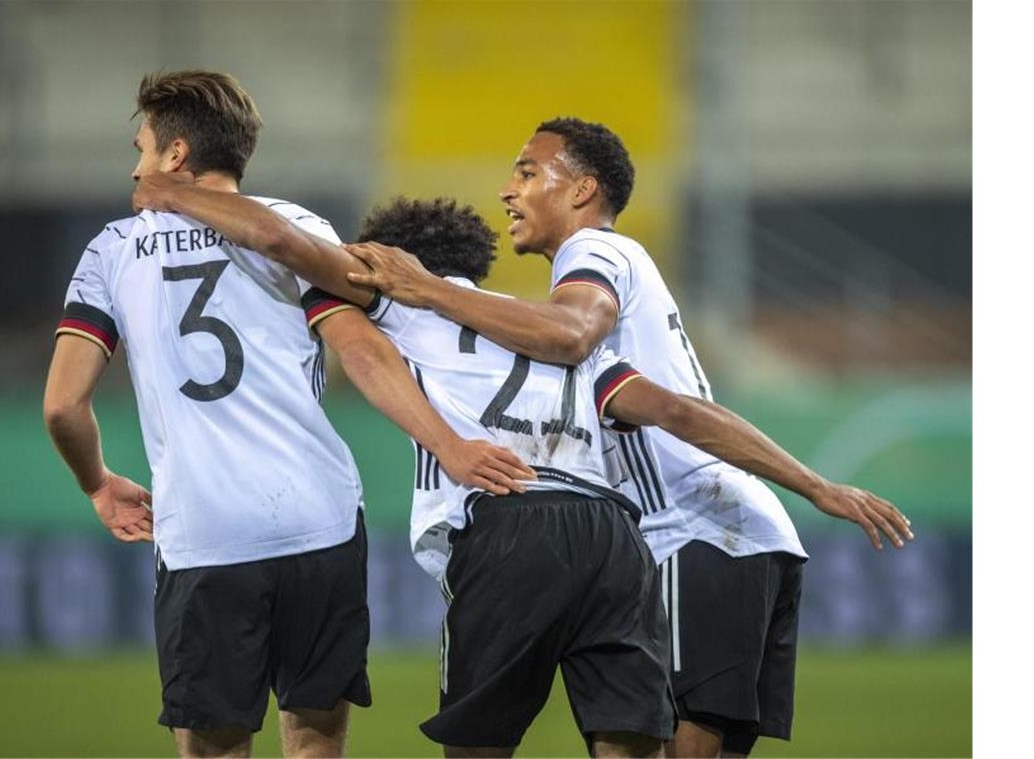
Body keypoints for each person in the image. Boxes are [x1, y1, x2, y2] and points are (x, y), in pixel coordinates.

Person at [129, 179, 908, 759]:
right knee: (631, 741)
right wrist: (815, 486)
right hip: (612, 536)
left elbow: (282, 243)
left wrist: (175, 192)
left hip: (506, 520)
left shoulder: (391, 303)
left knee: (477, 742)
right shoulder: (543, 329)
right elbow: (679, 412)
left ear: (387, 260)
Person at [340, 118, 915, 758]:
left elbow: (582, 339)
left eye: (528, 172)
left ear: (583, 190)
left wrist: (424, 287)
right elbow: (677, 407)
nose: (508, 190)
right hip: (732, 533)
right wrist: (813, 487)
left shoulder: (596, 253)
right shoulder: (601, 303)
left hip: (691, 529)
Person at [43, 70, 533, 759]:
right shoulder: (299, 229)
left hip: (204, 531)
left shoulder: (112, 251)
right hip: (319, 521)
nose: (136, 166)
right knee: (313, 737)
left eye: (143, 147)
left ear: (176, 156)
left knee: (213, 745)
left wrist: (96, 482)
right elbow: (363, 353)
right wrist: (447, 445)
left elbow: (63, 405)